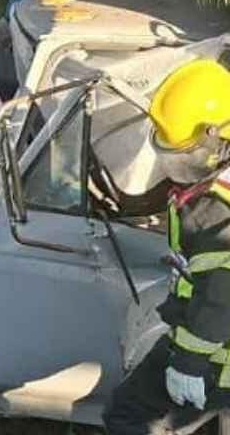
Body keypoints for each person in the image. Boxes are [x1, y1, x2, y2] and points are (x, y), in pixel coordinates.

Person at [104, 59, 230, 434]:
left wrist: (190, 361)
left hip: (214, 351)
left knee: (129, 416)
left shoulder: (211, 207)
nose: (177, 167)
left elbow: (222, 290)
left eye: (186, 154)